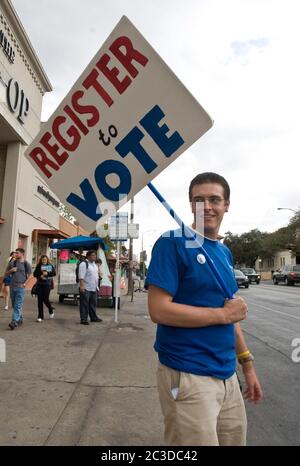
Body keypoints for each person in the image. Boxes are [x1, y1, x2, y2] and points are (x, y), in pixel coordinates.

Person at [146, 172, 263, 446]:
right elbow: (159, 310)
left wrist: (247, 365)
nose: (207, 207)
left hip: (227, 375)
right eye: (199, 200)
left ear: (227, 205)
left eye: (214, 199)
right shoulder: (171, 242)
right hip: (187, 375)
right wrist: (222, 315)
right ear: (190, 206)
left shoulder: (223, 252)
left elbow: (231, 313)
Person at [5, 248, 32, 330]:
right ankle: (19, 319)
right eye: (15, 253)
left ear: (22, 254)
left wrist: (25, 284)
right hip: (12, 287)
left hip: (21, 288)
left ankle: (14, 322)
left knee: (18, 305)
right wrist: (11, 270)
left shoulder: (26, 263)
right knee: (14, 305)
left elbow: (30, 275)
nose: (16, 254)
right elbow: (5, 273)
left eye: (17, 253)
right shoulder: (12, 263)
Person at [78, 250, 102, 325]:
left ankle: (93, 317)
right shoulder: (84, 264)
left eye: (95, 255)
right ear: (88, 256)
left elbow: (96, 276)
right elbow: (81, 276)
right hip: (86, 288)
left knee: (93, 304)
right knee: (84, 304)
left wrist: (100, 276)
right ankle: (84, 319)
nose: (94, 257)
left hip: (94, 288)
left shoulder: (94, 265)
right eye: (92, 255)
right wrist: (82, 286)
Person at [33, 255, 56, 322]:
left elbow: (54, 273)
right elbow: (35, 274)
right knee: (39, 300)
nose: (44, 261)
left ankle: (50, 309)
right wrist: (41, 274)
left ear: (47, 260)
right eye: (42, 260)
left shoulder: (50, 265)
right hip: (39, 284)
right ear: (41, 260)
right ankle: (40, 316)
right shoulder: (38, 266)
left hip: (47, 284)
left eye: (45, 260)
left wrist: (47, 273)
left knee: (45, 299)